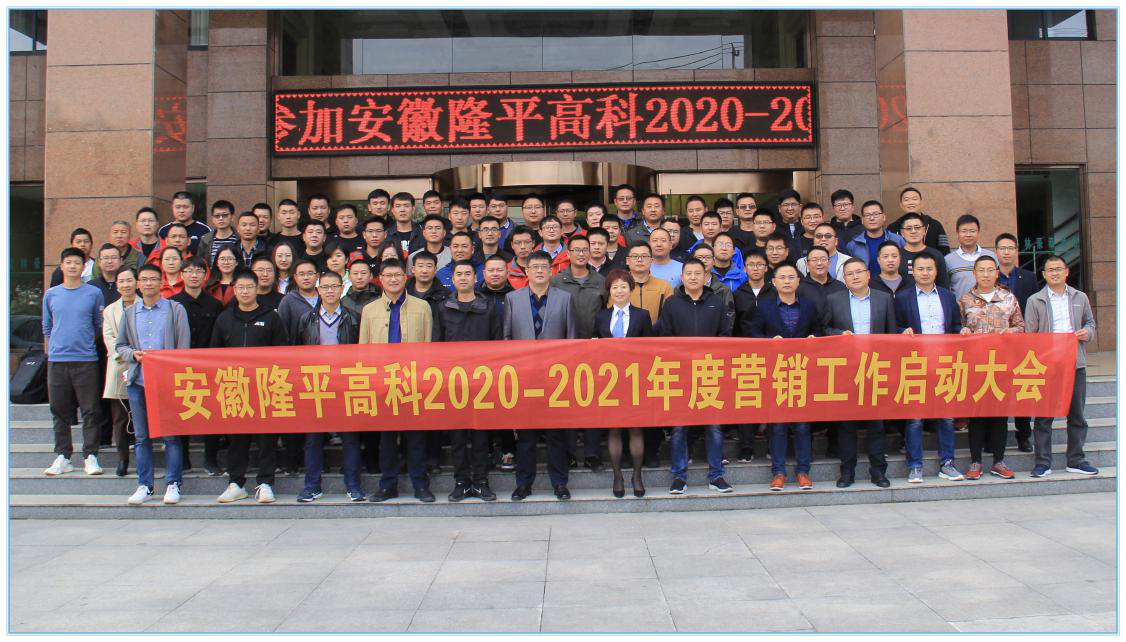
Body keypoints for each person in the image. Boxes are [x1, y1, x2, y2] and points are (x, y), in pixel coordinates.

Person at [211, 269, 289, 503]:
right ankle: (236, 483)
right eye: (240, 288)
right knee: (237, 439)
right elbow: (213, 354)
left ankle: (266, 483)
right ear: (234, 290)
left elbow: (282, 352)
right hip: (235, 387)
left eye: (249, 287)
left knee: (267, 439)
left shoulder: (271, 317)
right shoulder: (224, 318)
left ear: (257, 289)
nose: (244, 292)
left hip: (265, 387)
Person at [504, 251, 578, 501]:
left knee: (557, 436)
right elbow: (506, 339)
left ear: (551, 270)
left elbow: (571, 338)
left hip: (555, 378)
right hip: (524, 378)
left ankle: (560, 483)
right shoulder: (512, 299)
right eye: (534, 267)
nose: (538, 271)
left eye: (543, 267)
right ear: (526, 271)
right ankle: (524, 484)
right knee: (526, 437)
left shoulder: (564, 299)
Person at [360, 259, 435, 502]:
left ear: (406, 278)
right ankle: (387, 485)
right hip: (383, 382)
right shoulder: (369, 310)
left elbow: (428, 344)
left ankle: (420, 485)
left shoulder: (422, 307)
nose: (393, 279)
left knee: (416, 437)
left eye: (398, 275)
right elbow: (363, 348)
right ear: (380, 279)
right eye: (388, 275)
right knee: (387, 438)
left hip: (414, 380)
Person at [116, 263, 192, 505]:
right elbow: (120, 346)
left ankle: (173, 483)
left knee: (171, 436)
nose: (149, 283)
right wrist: (133, 355)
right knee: (141, 437)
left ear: (162, 282)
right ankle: (145, 485)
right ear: (138, 284)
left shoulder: (175, 309)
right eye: (144, 279)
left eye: (153, 279)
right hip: (138, 381)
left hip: (166, 382)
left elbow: (183, 346)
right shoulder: (130, 313)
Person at [658, 259, 735, 495]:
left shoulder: (716, 301)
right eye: (688, 273)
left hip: (710, 372)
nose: (693, 277)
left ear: (705, 277)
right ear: (682, 277)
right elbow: (665, 337)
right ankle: (679, 477)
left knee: (714, 428)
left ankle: (716, 475)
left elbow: (725, 334)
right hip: (681, 374)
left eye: (697, 273)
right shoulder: (671, 303)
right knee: (680, 428)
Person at [433, 260, 503, 502]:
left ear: (475, 278)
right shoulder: (443, 308)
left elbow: (497, 343)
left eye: (467, 274)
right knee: (458, 437)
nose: (463, 278)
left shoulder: (488, 306)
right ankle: (461, 481)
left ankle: (481, 481)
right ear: (452, 279)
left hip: (482, 382)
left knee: (481, 436)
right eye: (459, 274)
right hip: (454, 382)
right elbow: (437, 344)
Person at [750, 262, 825, 491]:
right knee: (778, 426)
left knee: (802, 426)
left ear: (798, 281)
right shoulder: (764, 307)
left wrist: (814, 339)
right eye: (782, 277)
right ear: (773, 282)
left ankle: (803, 471)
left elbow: (819, 331)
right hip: (776, 374)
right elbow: (754, 333)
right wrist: (768, 342)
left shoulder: (809, 306)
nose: (787, 281)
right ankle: (778, 472)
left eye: (791, 277)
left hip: (803, 372)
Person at [294, 271, 366, 503]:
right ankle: (312, 486)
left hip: (345, 384)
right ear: (318, 290)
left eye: (334, 286)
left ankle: (353, 485)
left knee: (350, 438)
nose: (330, 291)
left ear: (342, 289)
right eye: (325, 287)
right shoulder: (306, 319)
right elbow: (296, 351)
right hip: (316, 384)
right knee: (313, 438)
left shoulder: (353, 318)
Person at [824, 258, 895, 488]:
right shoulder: (833, 299)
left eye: (859, 272)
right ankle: (847, 472)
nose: (855, 277)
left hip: (875, 368)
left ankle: (878, 472)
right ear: (844, 279)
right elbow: (824, 329)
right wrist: (838, 334)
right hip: (846, 370)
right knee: (846, 426)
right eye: (849, 274)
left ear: (868, 274)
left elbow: (891, 335)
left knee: (877, 425)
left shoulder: (884, 299)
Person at [894, 253, 965, 483]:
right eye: (920, 269)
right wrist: (902, 331)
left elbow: (954, 325)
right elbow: (895, 326)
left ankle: (947, 463)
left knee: (946, 418)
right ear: (913, 271)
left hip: (944, 363)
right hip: (916, 364)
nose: (925, 273)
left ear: (936, 271)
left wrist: (962, 331)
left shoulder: (947, 296)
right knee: (915, 419)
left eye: (929, 269)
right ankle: (915, 465)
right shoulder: (902, 298)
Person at [1025, 256, 1098, 477]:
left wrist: (1087, 333)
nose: (1055, 273)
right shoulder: (1035, 300)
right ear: (1044, 274)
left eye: (1058, 269)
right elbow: (1030, 335)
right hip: (1046, 365)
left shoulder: (1080, 297)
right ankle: (1042, 463)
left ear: (1066, 272)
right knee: (1043, 416)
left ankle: (1076, 460)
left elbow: (1090, 323)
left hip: (1075, 363)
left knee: (1077, 415)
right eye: (1050, 270)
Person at [959, 255, 1024, 481]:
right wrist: (962, 331)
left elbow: (1021, 326)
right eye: (981, 270)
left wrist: (1011, 332)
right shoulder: (965, 300)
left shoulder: (1008, 298)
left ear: (997, 273)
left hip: (1002, 365)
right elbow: (957, 327)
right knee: (976, 416)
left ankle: (998, 461)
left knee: (999, 415)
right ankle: (975, 462)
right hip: (974, 366)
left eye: (990, 270)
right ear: (974, 273)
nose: (985, 274)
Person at [43, 247, 106, 477]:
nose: (72, 266)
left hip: (86, 360)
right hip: (58, 360)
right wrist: (53, 350)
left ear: (83, 267)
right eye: (68, 262)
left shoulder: (93, 293)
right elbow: (47, 327)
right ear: (61, 266)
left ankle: (90, 455)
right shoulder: (51, 294)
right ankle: (63, 456)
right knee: (59, 410)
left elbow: (98, 325)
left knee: (91, 410)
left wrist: (85, 343)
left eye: (77, 263)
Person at [594, 269, 654, 497]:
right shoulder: (601, 316)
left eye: (623, 286)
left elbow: (649, 350)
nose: (619, 291)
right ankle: (617, 475)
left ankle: (637, 475)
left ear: (631, 289)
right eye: (614, 287)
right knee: (614, 429)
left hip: (635, 381)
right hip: (609, 383)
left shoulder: (642, 315)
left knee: (636, 429)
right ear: (609, 291)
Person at [551, 235, 608, 471]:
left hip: (594, 351)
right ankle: (570, 452)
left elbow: (607, 312)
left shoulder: (600, 281)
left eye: (586, 249)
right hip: (564, 351)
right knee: (567, 402)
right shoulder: (557, 281)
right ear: (568, 253)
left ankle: (592, 453)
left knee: (592, 402)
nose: (582, 254)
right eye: (577, 250)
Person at [172, 255, 226, 476]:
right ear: (181, 275)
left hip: (209, 367)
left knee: (211, 415)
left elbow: (220, 335)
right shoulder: (173, 304)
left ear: (205, 275)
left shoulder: (215, 305)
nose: (193, 275)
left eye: (198, 271)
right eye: (189, 271)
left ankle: (210, 460)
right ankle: (183, 459)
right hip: (180, 367)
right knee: (183, 413)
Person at [995, 232, 1039, 453]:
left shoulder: (1028, 277)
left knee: (1022, 390)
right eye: (1002, 248)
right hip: (995, 344)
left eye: (1010, 248)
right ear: (996, 252)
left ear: (1016, 251)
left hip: (1022, 343)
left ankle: (1024, 435)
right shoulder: (989, 275)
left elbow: (1034, 308)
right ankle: (996, 438)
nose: (1006, 252)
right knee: (998, 390)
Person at [479, 253, 518, 472]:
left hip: (509, 360)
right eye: (491, 270)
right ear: (483, 273)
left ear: (507, 272)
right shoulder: (475, 296)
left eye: (499, 270)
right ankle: (484, 450)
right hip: (480, 361)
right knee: (483, 406)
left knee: (506, 405)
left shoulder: (516, 296)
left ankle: (508, 449)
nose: (495, 274)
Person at [733, 253, 773, 460]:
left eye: (759, 264)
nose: (755, 268)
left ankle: (772, 445)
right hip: (745, 353)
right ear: (744, 268)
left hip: (772, 352)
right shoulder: (738, 293)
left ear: (766, 268)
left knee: (772, 398)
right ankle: (746, 446)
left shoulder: (774, 291)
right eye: (751, 265)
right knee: (746, 399)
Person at [101, 267, 137, 477]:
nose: (126, 285)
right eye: (121, 281)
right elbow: (109, 339)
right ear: (117, 285)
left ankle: (144, 455)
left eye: (129, 280)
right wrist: (128, 354)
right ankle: (122, 459)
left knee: (143, 415)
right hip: (118, 366)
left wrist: (138, 355)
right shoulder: (110, 310)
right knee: (120, 418)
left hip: (143, 364)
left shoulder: (146, 305)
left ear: (136, 282)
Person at [945, 213, 997, 299]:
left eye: (972, 231)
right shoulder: (948, 260)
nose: (968, 235)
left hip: (989, 306)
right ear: (957, 234)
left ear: (978, 232)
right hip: (959, 306)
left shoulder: (991, 256)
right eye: (964, 231)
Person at [844, 200, 905, 273]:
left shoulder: (897, 240)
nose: (872, 218)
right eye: (867, 215)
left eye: (876, 214)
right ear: (862, 220)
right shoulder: (853, 245)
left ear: (883, 217)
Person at [889, 186, 951, 254]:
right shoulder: (892, 227)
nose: (911, 202)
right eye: (906, 200)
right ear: (901, 205)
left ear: (921, 203)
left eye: (914, 199)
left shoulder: (935, 225)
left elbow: (945, 251)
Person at [626, 241, 673, 327]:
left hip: (656, 334)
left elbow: (670, 316)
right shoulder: (619, 286)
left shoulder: (664, 286)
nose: (639, 260)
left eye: (644, 256)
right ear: (627, 261)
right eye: (635, 256)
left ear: (651, 261)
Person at [897, 212, 949, 288]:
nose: (913, 231)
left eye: (917, 227)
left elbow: (943, 285)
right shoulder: (896, 256)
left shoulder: (936, 255)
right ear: (902, 233)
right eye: (909, 228)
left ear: (924, 230)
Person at [277, 258, 320, 343]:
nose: (306, 277)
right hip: (297, 350)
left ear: (317, 275)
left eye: (310, 273)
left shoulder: (325, 298)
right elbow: (281, 333)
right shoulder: (288, 301)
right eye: (301, 274)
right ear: (295, 277)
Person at [197, 200, 238, 266]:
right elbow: (200, 263)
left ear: (232, 217)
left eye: (224, 215)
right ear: (212, 219)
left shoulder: (239, 238)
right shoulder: (205, 239)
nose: (221, 218)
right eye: (217, 216)